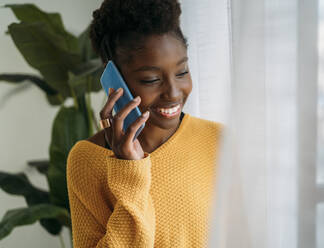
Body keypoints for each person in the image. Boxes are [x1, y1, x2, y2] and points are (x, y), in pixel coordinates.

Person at [66, 0, 223, 247]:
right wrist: (130, 170)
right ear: (113, 82)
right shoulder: (87, 160)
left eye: (182, 72)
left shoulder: (218, 140)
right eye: (151, 79)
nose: (173, 93)